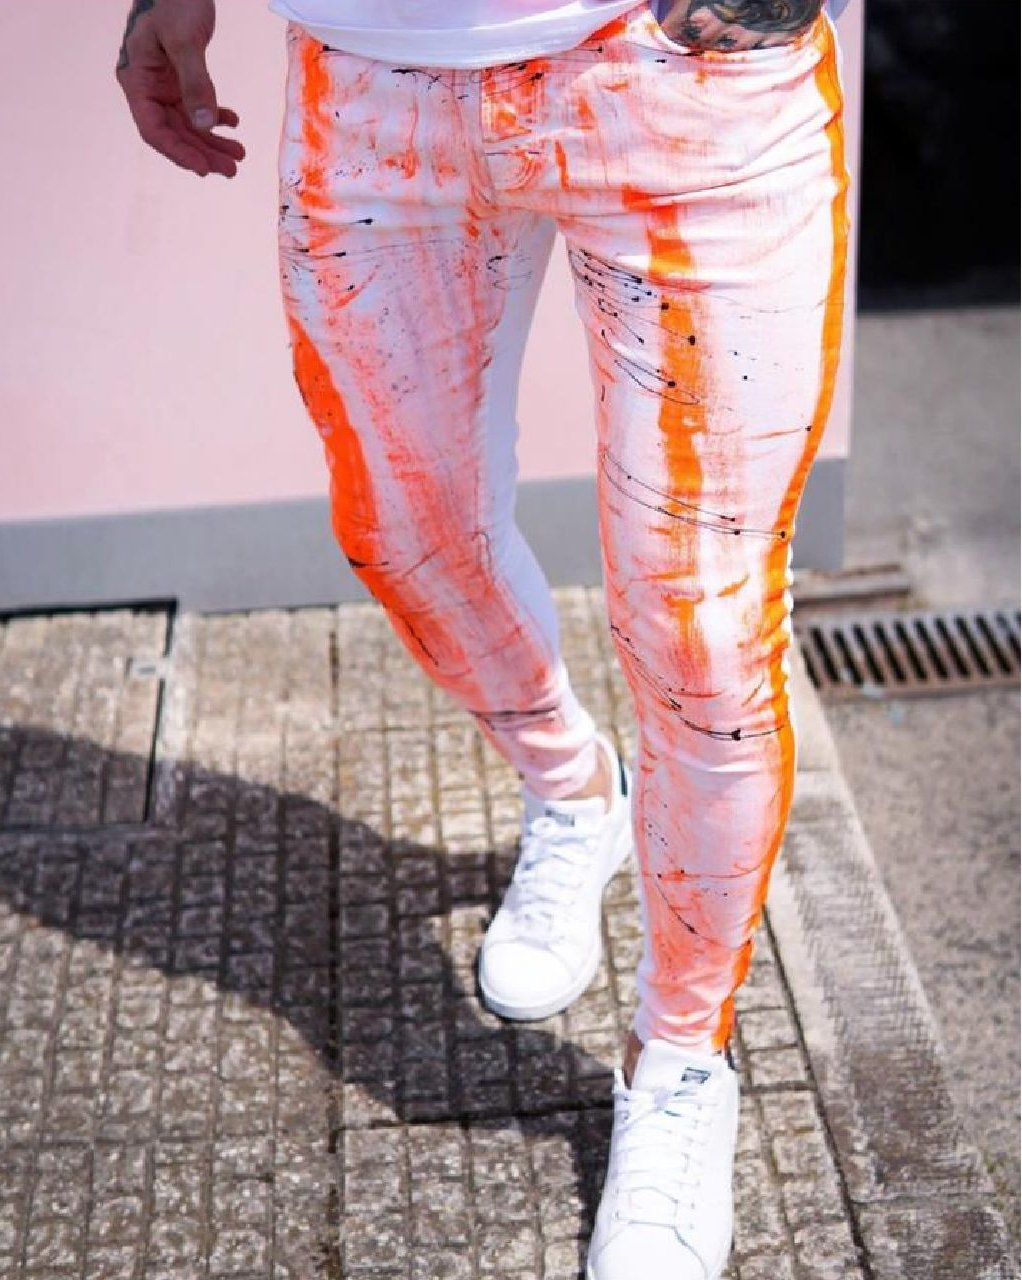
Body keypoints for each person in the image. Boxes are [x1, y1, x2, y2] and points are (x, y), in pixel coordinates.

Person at [116, 1, 849, 1274]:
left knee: (704, 635)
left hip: (683, 74)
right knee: (405, 537)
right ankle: (576, 793)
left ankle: (679, 1057)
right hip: (373, 69)